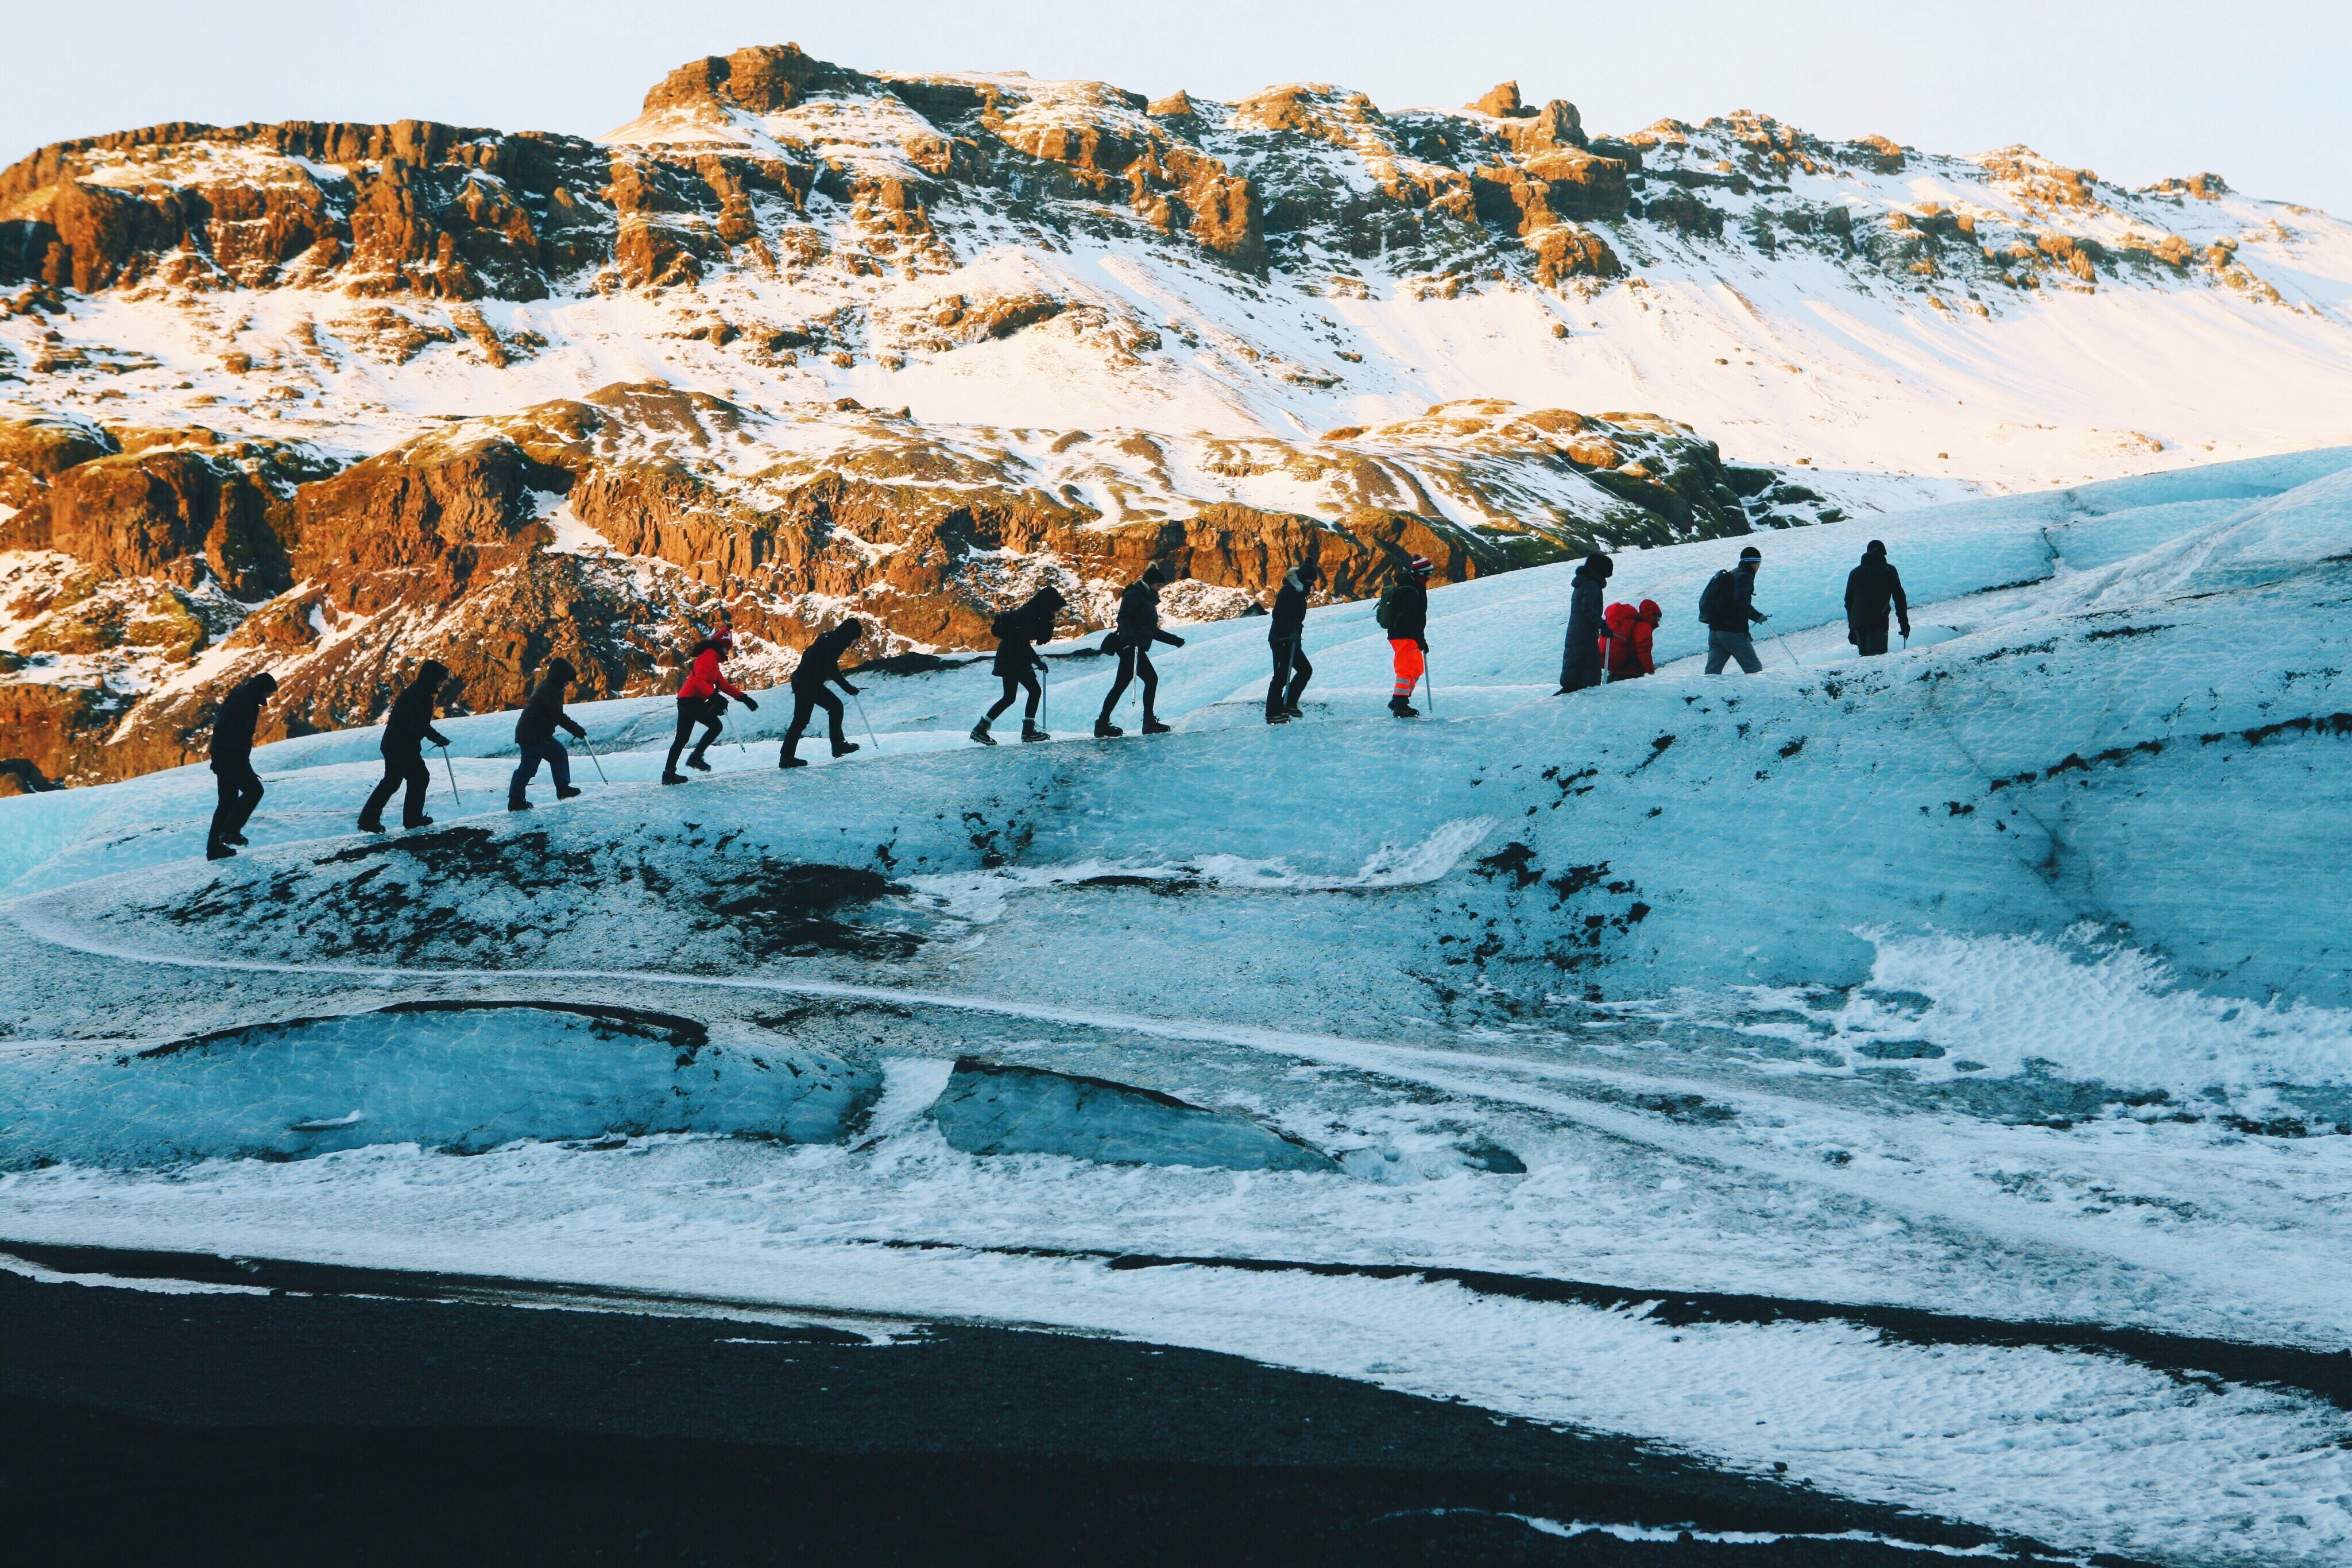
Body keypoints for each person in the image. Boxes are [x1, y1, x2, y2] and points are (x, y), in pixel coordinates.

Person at [358, 660, 450, 833]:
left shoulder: (419, 692)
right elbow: (419, 723)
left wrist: (436, 737)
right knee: (400, 781)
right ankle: (383, 820)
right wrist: (437, 737)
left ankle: (403, 819)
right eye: (440, 680)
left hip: (401, 746)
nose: (441, 684)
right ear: (432, 678)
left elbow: (418, 724)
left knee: (411, 779)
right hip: (400, 747)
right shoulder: (419, 695)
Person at [1094, 564, 1185, 738]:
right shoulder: (1135, 595)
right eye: (1158, 585)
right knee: (1151, 679)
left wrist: (1173, 640)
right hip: (1130, 647)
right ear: (1150, 583)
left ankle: (1102, 724)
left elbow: (1150, 630)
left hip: (1132, 647)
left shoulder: (1146, 599)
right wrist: (1130, 641)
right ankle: (1148, 723)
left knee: (1120, 686)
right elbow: (1123, 618)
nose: (1160, 589)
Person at [972, 587, 1065, 745]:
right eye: (1055, 609)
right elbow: (1022, 641)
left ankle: (981, 729)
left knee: (1009, 697)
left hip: (1010, 656)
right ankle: (1028, 732)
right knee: (1034, 691)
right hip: (1014, 658)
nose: (1055, 613)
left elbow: (1025, 639)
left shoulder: (1030, 612)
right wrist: (1037, 662)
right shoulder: (1030, 614)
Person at [664, 634, 755, 784]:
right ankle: (696, 757)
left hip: (685, 700)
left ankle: (669, 774)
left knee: (681, 739)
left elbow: (723, 685)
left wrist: (743, 698)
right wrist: (715, 697)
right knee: (716, 726)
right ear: (720, 647)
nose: (727, 652)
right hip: (691, 701)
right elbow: (700, 682)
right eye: (727, 648)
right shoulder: (708, 658)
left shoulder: (710, 659)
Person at [205, 671, 276, 860]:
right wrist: (234, 758)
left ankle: (214, 849)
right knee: (254, 791)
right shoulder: (243, 701)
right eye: (269, 692)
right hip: (232, 758)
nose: (269, 697)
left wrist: (217, 758)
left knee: (227, 803)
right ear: (262, 689)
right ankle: (231, 830)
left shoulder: (244, 698)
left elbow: (223, 729)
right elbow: (228, 731)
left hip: (226, 757)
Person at [779, 617, 865, 768]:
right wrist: (848, 688)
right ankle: (838, 745)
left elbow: (808, 654)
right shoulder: (835, 642)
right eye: (854, 639)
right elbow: (832, 669)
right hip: (808, 683)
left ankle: (787, 757)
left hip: (803, 681)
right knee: (835, 707)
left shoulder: (829, 637)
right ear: (849, 635)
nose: (854, 643)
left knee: (801, 720)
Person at [509, 657, 587, 811]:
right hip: (531, 735)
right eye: (566, 680)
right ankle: (515, 800)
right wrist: (576, 729)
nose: (568, 684)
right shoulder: (549, 691)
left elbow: (556, 715)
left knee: (558, 754)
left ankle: (563, 788)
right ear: (560, 677)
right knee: (528, 768)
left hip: (540, 735)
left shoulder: (552, 689)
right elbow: (557, 716)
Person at [1266, 559, 1320, 723]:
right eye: (1308, 582)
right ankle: (1273, 713)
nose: (1311, 585)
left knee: (1305, 670)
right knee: (1281, 678)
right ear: (1302, 579)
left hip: (1290, 639)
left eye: (1312, 582)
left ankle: (1288, 704)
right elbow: (1278, 615)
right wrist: (1291, 630)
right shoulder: (1289, 592)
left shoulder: (1298, 592)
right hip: (1282, 639)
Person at [1699, 545, 1769, 675]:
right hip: (1732, 632)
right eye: (1759, 563)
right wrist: (1757, 616)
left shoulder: (1732, 573)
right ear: (1755, 563)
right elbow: (1740, 601)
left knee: (1712, 673)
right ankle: (1758, 695)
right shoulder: (1745, 576)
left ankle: (1705, 695)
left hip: (1715, 632)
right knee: (1754, 670)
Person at [1380, 555, 1432, 717]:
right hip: (1404, 634)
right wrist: (1419, 638)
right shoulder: (1410, 589)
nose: (1431, 577)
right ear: (1422, 574)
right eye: (1429, 573)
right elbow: (1411, 617)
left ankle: (1398, 700)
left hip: (1404, 634)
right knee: (1407, 669)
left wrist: (1419, 638)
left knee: (1417, 668)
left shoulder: (1413, 586)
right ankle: (1400, 704)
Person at [1556, 552, 1613, 693]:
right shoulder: (1592, 585)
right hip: (1585, 632)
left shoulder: (1583, 583)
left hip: (1578, 631)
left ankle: (1572, 688)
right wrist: (1603, 625)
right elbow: (1587, 608)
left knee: (1576, 662)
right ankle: (1578, 692)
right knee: (1586, 665)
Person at [1844, 540, 1910, 656]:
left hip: (1859, 623)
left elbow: (1849, 603)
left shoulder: (1855, 573)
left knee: (1866, 660)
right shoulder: (1888, 570)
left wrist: (1852, 628)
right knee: (1878, 658)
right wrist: (1904, 623)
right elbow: (1899, 598)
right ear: (1883, 553)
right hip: (1878, 621)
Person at [1601, 599, 1663, 679]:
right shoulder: (1644, 626)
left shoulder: (1632, 623)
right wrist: (1650, 670)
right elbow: (1643, 649)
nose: (1657, 623)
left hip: (1615, 671)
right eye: (1657, 619)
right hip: (1631, 673)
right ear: (1651, 615)